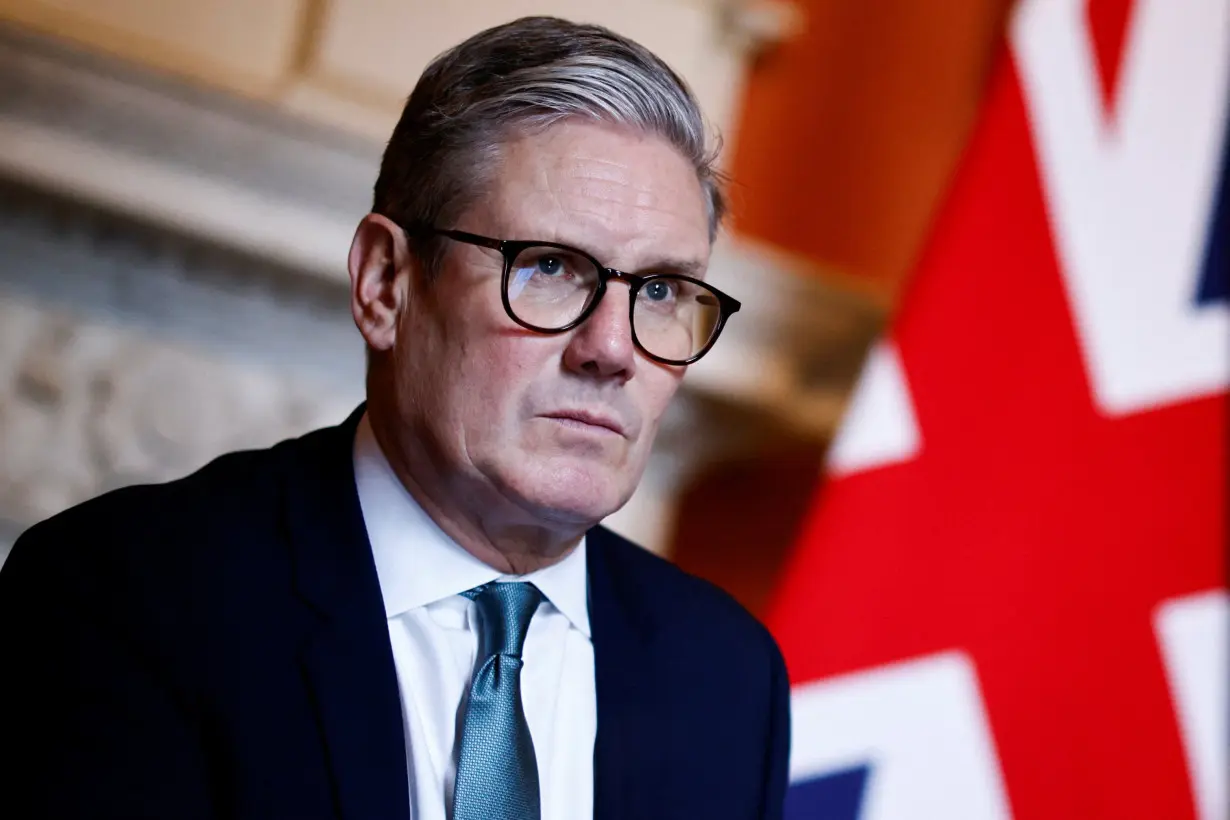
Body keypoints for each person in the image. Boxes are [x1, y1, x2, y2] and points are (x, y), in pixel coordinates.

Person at [0, 16, 789, 820]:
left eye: (659, 291)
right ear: (385, 284)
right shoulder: (130, 596)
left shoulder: (727, 676)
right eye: (549, 267)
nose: (613, 349)